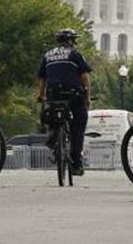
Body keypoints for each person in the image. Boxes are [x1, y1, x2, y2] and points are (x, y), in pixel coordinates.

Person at [34, 28, 93, 175]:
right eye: (75, 40)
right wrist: (87, 97)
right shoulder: (75, 54)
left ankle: (54, 141)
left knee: (54, 117)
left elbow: (42, 78)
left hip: (54, 95)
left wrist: (40, 95)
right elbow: (84, 77)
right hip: (73, 94)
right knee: (79, 124)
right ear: (70, 41)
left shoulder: (47, 55)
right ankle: (76, 163)